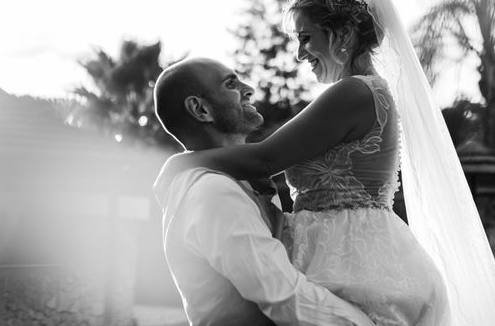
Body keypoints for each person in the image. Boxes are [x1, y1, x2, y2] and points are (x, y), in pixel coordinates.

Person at [165, 0, 495, 325]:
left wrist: (181, 164)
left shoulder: (353, 93)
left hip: (354, 258)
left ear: (343, 35)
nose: (301, 53)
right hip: (344, 249)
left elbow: (264, 159)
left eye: (306, 38)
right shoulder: (360, 92)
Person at [152, 57, 376, 326]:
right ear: (200, 109)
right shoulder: (212, 191)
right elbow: (284, 296)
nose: (249, 89)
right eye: (231, 83)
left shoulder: (228, 182)